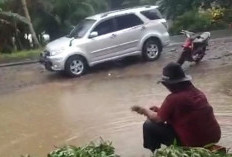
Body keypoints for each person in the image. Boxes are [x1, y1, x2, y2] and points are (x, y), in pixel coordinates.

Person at [131, 62, 221, 152]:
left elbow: (158, 119)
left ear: (170, 84)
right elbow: (185, 113)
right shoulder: (198, 93)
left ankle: (154, 152)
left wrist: (143, 110)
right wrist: (160, 110)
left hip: (193, 143)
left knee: (149, 125)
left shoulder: (173, 98)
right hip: (213, 137)